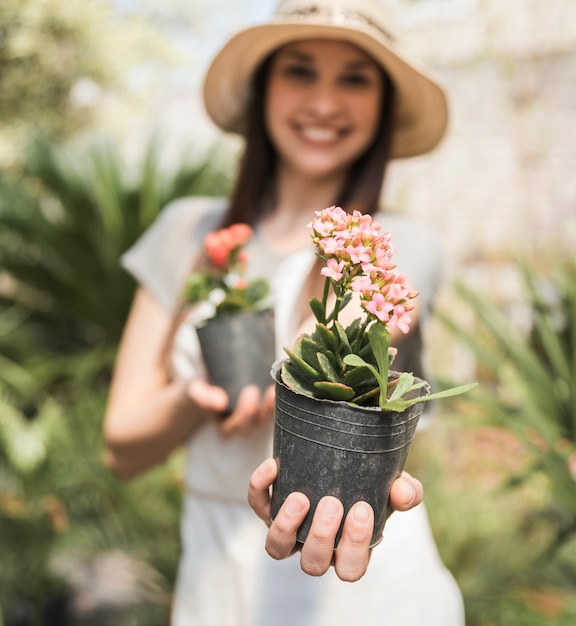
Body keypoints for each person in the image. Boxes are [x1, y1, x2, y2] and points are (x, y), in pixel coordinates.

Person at [103, 0, 464, 624]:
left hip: (371, 578)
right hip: (218, 573)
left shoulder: (399, 239)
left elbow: (352, 322)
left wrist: (294, 385)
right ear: (264, 87)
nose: (324, 103)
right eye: (300, 71)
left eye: (355, 79)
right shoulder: (187, 231)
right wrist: (201, 394)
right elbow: (122, 449)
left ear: (382, 106)